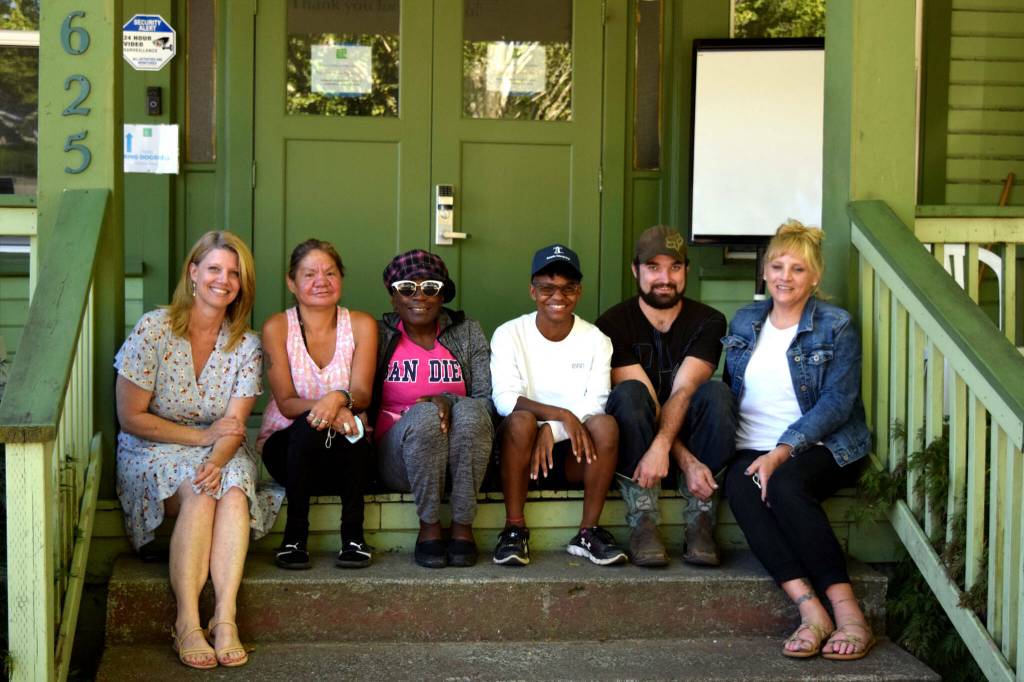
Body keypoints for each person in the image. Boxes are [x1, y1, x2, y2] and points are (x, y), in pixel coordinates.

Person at [115, 231, 282, 669]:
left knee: (230, 487)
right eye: (213, 269)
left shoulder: (245, 344)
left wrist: (216, 457)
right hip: (152, 447)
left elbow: (233, 425)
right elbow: (131, 417)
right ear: (193, 273)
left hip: (220, 450)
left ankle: (225, 618)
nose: (223, 280)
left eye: (234, 273)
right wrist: (202, 442)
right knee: (198, 488)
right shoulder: (155, 328)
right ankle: (187, 621)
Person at [722, 221, 874, 660]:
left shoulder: (835, 325)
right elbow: (730, 388)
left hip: (823, 445)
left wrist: (782, 452)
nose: (785, 277)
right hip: (751, 443)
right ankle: (811, 612)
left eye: (798, 269)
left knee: (786, 485)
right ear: (765, 272)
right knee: (741, 487)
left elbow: (836, 404)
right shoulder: (746, 320)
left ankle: (849, 616)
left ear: (815, 277)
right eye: (777, 266)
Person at [596, 225, 736, 567]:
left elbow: (684, 390)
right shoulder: (611, 325)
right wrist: (678, 458)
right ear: (635, 270)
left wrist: (668, 449)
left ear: (686, 270)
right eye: (654, 267)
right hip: (639, 439)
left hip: (687, 433)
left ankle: (701, 519)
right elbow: (646, 399)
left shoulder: (710, 321)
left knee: (716, 394)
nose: (665, 278)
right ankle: (643, 519)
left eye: (675, 267)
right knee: (629, 395)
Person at [490, 244, 626, 567]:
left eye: (567, 288)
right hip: (519, 452)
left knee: (606, 425)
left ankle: (587, 532)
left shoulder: (596, 339)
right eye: (547, 288)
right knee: (522, 421)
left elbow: (597, 400)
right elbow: (504, 399)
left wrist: (552, 429)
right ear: (532, 291)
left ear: (578, 292)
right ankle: (514, 529)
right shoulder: (509, 334)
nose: (558, 296)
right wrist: (559, 415)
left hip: (571, 456)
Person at [257, 239, 377, 570]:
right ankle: (294, 536)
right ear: (291, 282)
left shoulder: (361, 325)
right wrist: (327, 410)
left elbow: (362, 394)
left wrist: (337, 400)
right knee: (309, 428)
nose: (320, 281)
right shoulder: (277, 327)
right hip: (288, 451)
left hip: (346, 455)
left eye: (330, 272)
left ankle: (353, 536)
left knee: (351, 432)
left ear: (341, 278)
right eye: (309, 274)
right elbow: (286, 403)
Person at [373, 250, 494, 568]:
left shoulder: (467, 331)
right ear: (393, 297)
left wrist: (449, 400)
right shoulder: (378, 335)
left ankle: (462, 525)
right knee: (425, 415)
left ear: (442, 295)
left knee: (470, 411)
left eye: (430, 287)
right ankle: (429, 525)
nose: (419, 296)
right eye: (407, 288)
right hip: (398, 458)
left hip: (462, 460)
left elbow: (487, 401)